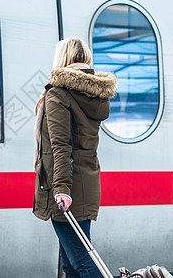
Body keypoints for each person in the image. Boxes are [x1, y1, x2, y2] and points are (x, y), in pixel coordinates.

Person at [33, 37, 118, 277]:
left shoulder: (58, 93)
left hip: (66, 187)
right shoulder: (92, 95)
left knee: (82, 261)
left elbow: (61, 146)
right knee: (70, 263)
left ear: (62, 58)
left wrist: (61, 189)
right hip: (84, 183)